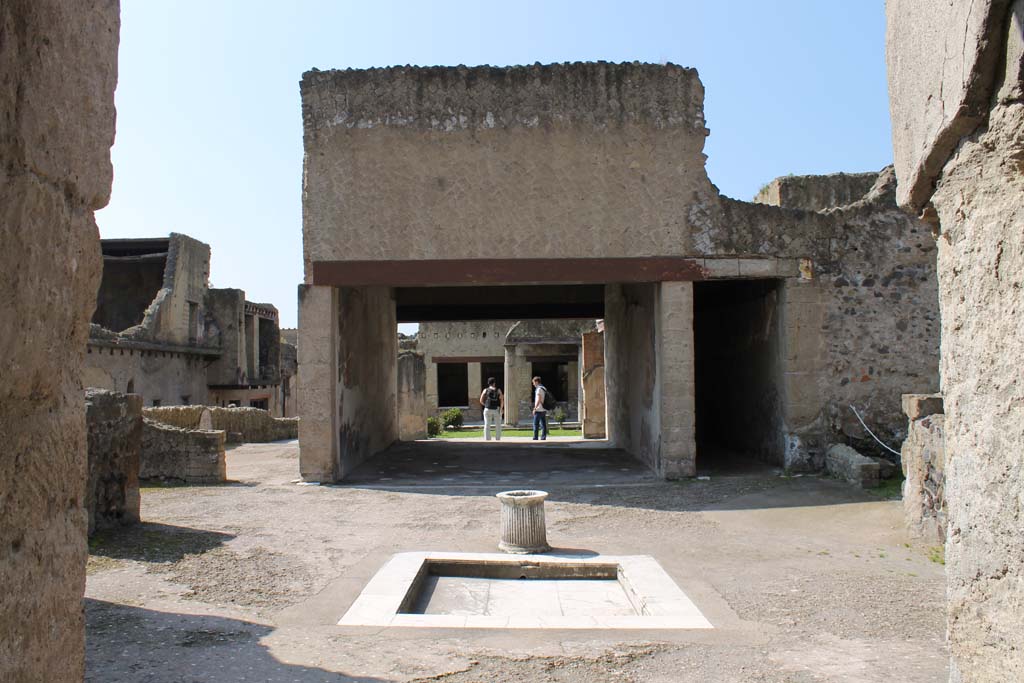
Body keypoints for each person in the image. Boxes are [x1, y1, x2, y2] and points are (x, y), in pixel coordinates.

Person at [531, 376, 548, 441]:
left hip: (539, 409)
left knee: (536, 424)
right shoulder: (544, 388)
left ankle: (535, 437)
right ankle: (543, 437)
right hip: (544, 408)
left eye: (533, 382)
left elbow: (539, 399)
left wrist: (535, 408)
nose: (533, 384)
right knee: (543, 424)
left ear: (536, 382)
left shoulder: (538, 389)